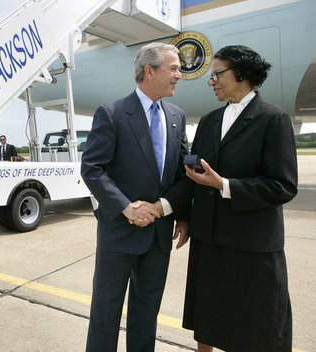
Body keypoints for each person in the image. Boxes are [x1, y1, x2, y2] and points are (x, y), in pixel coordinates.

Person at [180, 45, 297, 352]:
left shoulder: (273, 119)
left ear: (242, 74)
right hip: (210, 240)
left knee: (254, 328)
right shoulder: (208, 120)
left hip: (250, 245)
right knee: (207, 317)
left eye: (217, 74)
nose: (212, 81)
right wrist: (185, 217)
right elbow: (195, 173)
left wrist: (225, 185)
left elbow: (283, 185)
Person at [81, 42, 189, 351]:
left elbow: (183, 174)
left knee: (147, 313)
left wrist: (176, 212)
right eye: (174, 69)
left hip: (158, 233)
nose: (179, 75)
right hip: (119, 232)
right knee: (106, 312)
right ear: (149, 71)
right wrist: (127, 208)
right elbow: (92, 168)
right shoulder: (112, 113)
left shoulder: (177, 116)